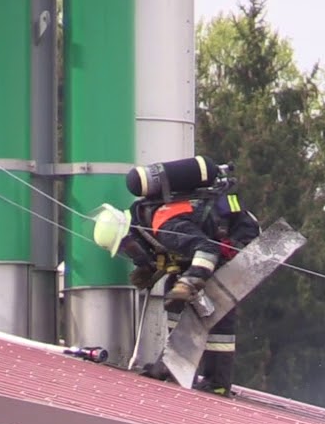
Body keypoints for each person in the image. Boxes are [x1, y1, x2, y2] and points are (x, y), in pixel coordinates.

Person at [91, 170, 259, 396]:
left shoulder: (165, 227)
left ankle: (217, 383)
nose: (131, 253)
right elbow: (181, 250)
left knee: (216, 305)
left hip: (241, 237)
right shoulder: (149, 219)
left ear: (131, 232)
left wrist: (189, 283)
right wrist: (154, 270)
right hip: (217, 241)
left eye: (127, 247)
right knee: (174, 297)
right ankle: (171, 366)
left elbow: (207, 249)